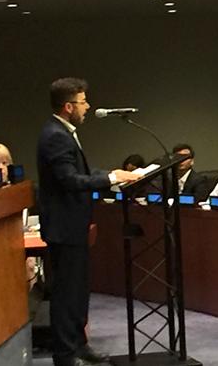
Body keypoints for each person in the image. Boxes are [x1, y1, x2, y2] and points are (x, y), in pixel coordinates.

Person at [37, 77, 141, 366]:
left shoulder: (64, 131)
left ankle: (79, 344)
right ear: (69, 106)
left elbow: (79, 170)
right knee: (67, 293)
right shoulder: (55, 135)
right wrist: (110, 178)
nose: (88, 107)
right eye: (83, 102)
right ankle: (65, 353)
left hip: (74, 225)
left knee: (79, 290)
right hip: (64, 227)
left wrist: (112, 173)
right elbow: (69, 180)